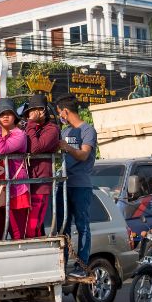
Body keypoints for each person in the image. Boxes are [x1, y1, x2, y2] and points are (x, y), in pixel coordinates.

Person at [55, 95, 96, 275]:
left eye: (59, 113)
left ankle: (82, 266)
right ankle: (61, 265)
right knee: (62, 227)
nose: (59, 117)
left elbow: (84, 155)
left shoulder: (88, 130)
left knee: (82, 226)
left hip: (81, 185)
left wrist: (68, 147)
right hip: (64, 184)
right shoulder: (64, 131)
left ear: (65, 111)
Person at [0, 97, 30, 240]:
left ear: (15, 116)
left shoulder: (20, 134)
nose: (5, 116)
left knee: (17, 234)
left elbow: (1, 149)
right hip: (0, 188)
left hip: (17, 189)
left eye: (9, 113)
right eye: (1, 114)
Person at [23, 94, 60, 237]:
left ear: (44, 111)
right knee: (27, 224)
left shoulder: (52, 129)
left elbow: (35, 148)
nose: (34, 113)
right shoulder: (27, 127)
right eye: (32, 110)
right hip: (25, 182)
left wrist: (31, 123)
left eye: (38, 110)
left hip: (40, 183)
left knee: (33, 225)